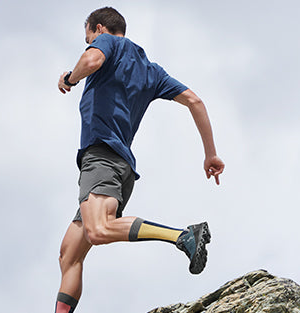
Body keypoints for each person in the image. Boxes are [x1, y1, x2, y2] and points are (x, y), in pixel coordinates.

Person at [52, 6, 225, 313]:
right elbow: (195, 101)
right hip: (118, 166)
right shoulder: (151, 70)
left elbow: (92, 60)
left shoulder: (108, 43)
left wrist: (70, 77)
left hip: (102, 157)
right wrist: (210, 153)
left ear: (99, 29)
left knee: (99, 230)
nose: (89, 43)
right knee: (69, 254)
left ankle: (184, 237)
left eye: (88, 36)